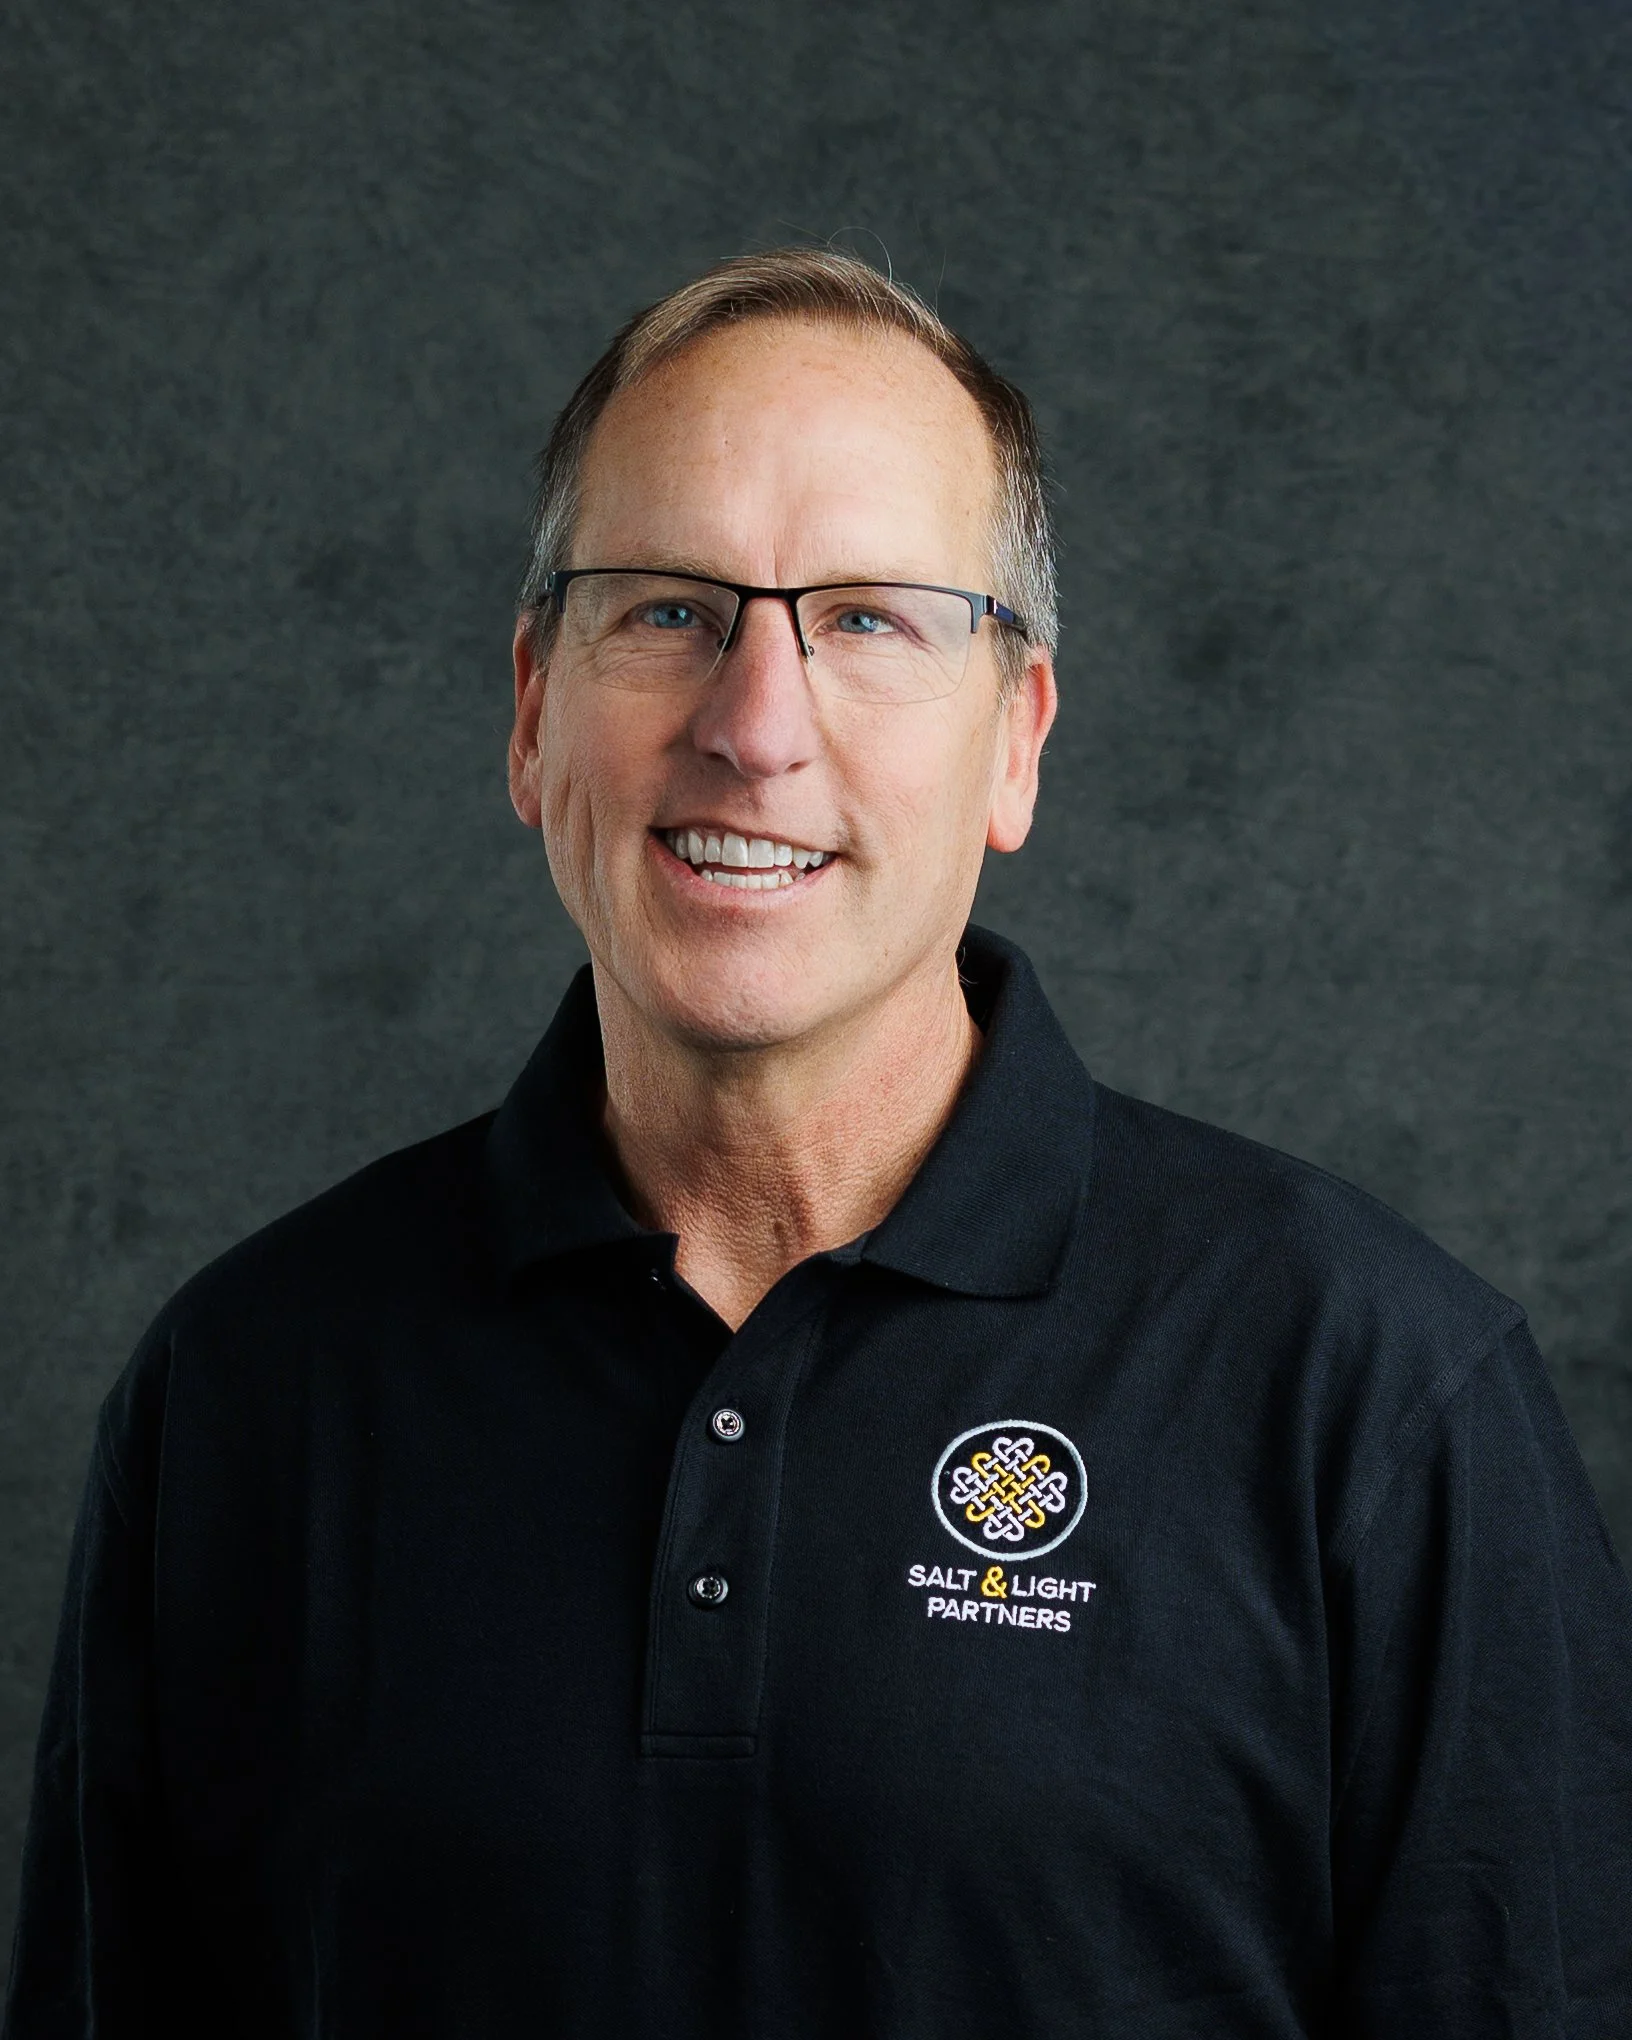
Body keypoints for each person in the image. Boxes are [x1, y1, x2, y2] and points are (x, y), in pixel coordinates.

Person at [6, 247, 1631, 2040]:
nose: (755, 728)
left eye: (868, 620)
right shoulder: (246, 1388)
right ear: (534, 711)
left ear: (1015, 743)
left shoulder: (1373, 1396)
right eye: (668, 610)